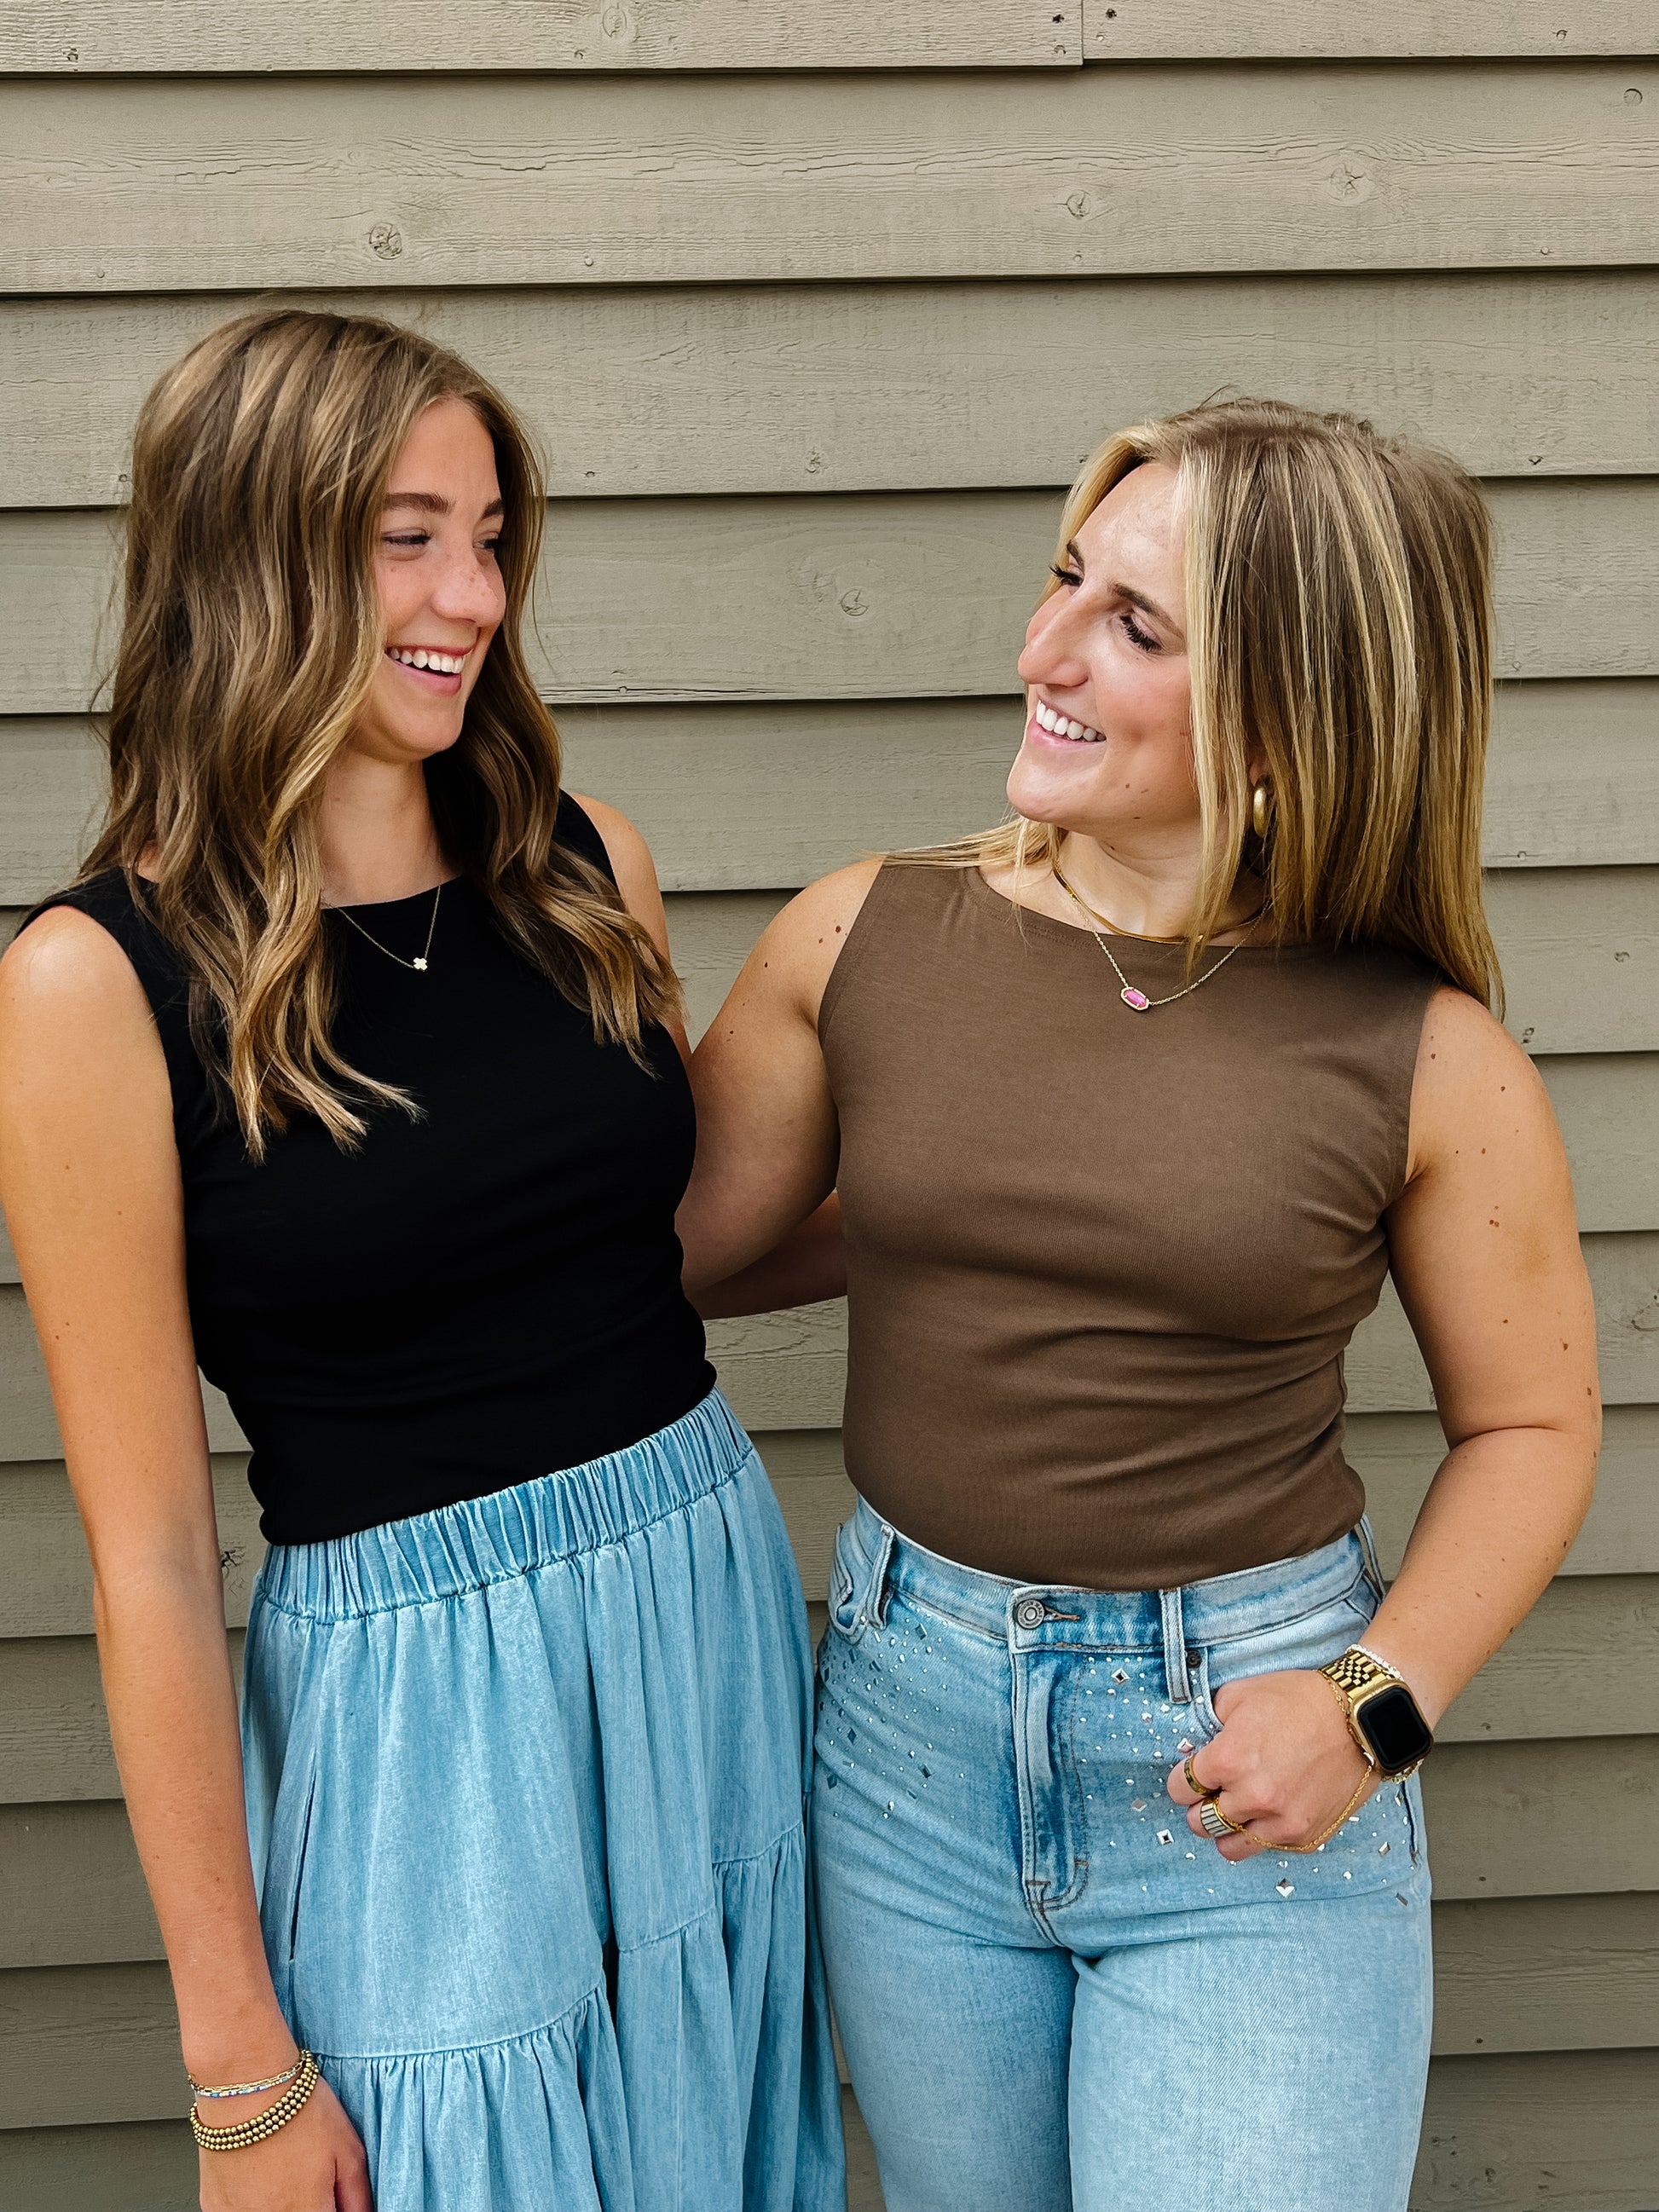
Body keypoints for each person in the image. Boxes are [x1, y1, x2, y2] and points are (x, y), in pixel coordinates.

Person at [678, 400, 1599, 2211]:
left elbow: (1532, 1423)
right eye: (1064, 582)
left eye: (1134, 627)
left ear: (1290, 708)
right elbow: (682, 1256)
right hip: (907, 1739)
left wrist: (1371, 1703)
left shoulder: (1428, 1058)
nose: (1043, 651)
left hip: (1243, 1759)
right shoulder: (859, 937)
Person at [0, 309, 842, 2212]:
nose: (471, 594)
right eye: (407, 537)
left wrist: (1028, 1209)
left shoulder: (585, 866)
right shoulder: (92, 984)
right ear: (251, 554)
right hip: (419, 1697)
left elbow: (651, 1255)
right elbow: (150, 1556)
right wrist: (237, 2068)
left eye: (489, 537)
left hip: (696, 1604)